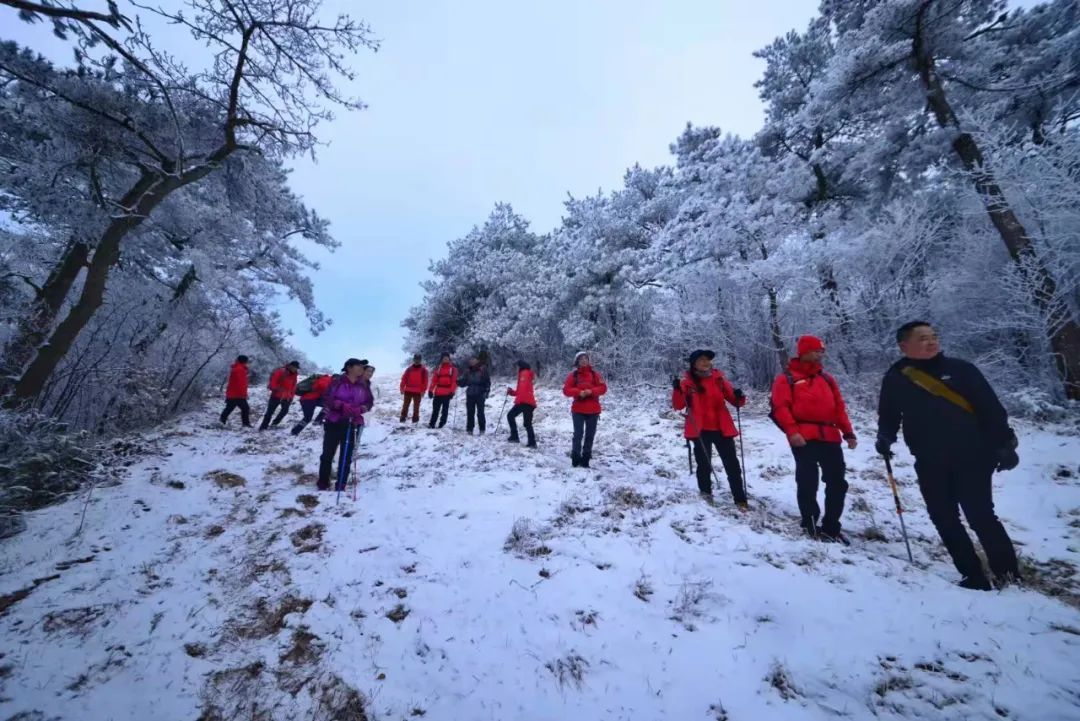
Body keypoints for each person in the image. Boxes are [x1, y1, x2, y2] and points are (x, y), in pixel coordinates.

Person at [877, 321, 1021, 591]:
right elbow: (889, 413)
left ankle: (1008, 574)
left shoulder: (961, 370)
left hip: (973, 455)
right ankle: (972, 575)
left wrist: (1004, 444)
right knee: (942, 516)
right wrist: (885, 436)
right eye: (922, 339)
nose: (931, 342)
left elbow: (991, 408)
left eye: (933, 337)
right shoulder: (896, 376)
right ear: (904, 346)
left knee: (980, 515)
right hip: (929, 459)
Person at [770, 335, 857, 543]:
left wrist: (848, 432)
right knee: (808, 482)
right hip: (803, 437)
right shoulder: (787, 378)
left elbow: (839, 407)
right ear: (804, 351)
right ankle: (809, 523)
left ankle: (831, 527)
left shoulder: (827, 379)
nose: (821, 354)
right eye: (817, 350)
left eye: (822, 351)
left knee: (837, 483)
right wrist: (792, 432)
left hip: (830, 436)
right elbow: (781, 408)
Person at [672, 349, 747, 508]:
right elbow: (678, 406)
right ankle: (706, 494)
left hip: (722, 428)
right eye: (701, 360)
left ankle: (740, 498)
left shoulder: (718, 379)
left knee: (732, 464)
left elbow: (736, 401)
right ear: (694, 364)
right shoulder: (687, 382)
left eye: (707, 360)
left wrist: (739, 396)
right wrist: (677, 390)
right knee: (704, 465)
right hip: (700, 430)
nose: (706, 363)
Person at [317, 359, 373, 492]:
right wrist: (341, 405)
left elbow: (369, 402)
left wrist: (361, 409)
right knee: (327, 455)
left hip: (352, 423)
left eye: (362, 366)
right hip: (334, 422)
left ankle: (341, 484)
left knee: (346, 456)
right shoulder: (337, 382)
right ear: (349, 367)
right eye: (358, 366)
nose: (361, 368)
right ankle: (323, 483)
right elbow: (327, 398)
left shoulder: (363, 385)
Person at [562, 351, 607, 468]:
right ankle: (575, 458)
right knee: (578, 434)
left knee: (590, 435)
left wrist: (592, 391)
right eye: (581, 358)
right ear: (577, 361)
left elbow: (603, 388)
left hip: (593, 410)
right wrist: (578, 392)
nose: (583, 360)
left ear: (588, 360)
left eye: (585, 358)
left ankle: (586, 459)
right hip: (578, 410)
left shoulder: (595, 374)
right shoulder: (573, 375)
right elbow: (566, 390)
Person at [260, 360, 300, 430]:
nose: (295, 369)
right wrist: (276, 389)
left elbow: (293, 386)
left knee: (285, 411)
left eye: (296, 368)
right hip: (276, 395)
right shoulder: (281, 371)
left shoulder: (295, 375)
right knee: (270, 412)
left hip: (287, 397)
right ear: (290, 366)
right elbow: (273, 382)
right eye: (295, 367)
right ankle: (263, 427)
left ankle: (274, 424)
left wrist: (291, 396)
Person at [506, 359, 537, 447]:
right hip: (527, 402)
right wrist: (512, 392)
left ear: (520, 366)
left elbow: (523, 391)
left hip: (525, 402)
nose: (516, 368)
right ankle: (532, 443)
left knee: (510, 416)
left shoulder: (525, 374)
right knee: (527, 423)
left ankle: (515, 437)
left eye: (517, 366)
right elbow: (520, 391)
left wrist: (519, 399)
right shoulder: (522, 375)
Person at [457, 356, 491, 435]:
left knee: (480, 412)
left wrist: (487, 392)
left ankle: (482, 429)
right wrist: (459, 382)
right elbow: (465, 382)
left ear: (477, 361)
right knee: (470, 412)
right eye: (471, 360)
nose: (472, 361)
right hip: (470, 393)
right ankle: (469, 429)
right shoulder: (468, 371)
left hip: (480, 393)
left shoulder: (483, 369)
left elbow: (487, 381)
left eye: (474, 360)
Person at [427, 352, 458, 429]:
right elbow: (434, 380)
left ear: (449, 359)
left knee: (444, 410)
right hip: (437, 392)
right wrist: (430, 390)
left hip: (447, 393)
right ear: (442, 359)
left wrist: (452, 392)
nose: (445, 359)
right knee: (435, 410)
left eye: (447, 358)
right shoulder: (438, 369)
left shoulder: (453, 369)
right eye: (444, 358)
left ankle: (442, 424)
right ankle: (432, 424)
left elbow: (454, 382)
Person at [220, 354, 252, 427]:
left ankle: (222, 421)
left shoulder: (237, 368)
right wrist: (243, 394)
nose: (248, 363)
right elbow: (241, 383)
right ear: (244, 361)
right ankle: (246, 424)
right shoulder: (240, 369)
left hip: (233, 393)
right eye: (247, 361)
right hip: (237, 394)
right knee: (245, 408)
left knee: (230, 408)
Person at [399, 354, 429, 424]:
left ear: (420, 360)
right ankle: (403, 417)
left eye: (418, 359)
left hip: (418, 392)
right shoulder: (409, 369)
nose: (417, 361)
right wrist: (402, 388)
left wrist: (423, 391)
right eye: (416, 359)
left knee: (416, 407)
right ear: (413, 360)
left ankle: (415, 420)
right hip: (408, 390)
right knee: (405, 405)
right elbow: (404, 379)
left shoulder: (424, 370)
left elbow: (425, 381)